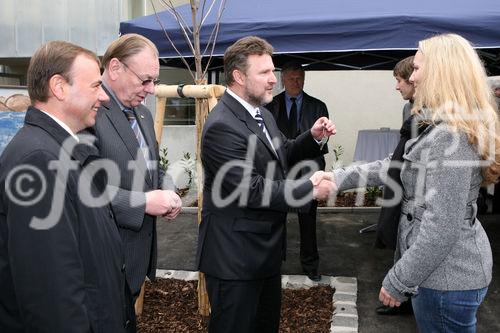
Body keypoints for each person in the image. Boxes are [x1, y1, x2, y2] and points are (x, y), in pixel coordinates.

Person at [332, 33, 497, 332]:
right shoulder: (440, 124)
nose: (413, 76)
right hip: (444, 276)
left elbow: (440, 229)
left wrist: (399, 281)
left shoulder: (450, 136)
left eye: (418, 69)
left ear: (440, 74)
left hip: (446, 280)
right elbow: (396, 167)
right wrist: (337, 178)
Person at [197, 36, 336, 333]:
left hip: (264, 256)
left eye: (273, 72)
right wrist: (308, 189)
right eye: (265, 73)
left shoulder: (262, 114)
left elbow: (282, 150)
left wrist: (312, 136)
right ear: (238, 76)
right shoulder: (222, 126)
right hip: (235, 261)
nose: (274, 80)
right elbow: (252, 189)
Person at [0, 41, 130, 332]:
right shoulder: (39, 162)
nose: (104, 97)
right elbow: (52, 297)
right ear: (59, 87)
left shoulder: (61, 150)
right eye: (96, 85)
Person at [93, 34, 182, 301]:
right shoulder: (90, 112)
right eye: (145, 80)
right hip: (103, 261)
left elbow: (153, 167)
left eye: (154, 81)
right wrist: (143, 202)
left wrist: (169, 190)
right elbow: (81, 187)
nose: (152, 89)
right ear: (115, 68)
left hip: (134, 261)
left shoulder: (142, 113)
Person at [265, 61, 329, 282]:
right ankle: (273, 262)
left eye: (300, 78)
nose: (296, 82)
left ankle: (310, 264)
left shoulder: (318, 106)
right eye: (292, 78)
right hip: (279, 169)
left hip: (307, 169)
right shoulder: (270, 106)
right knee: (275, 218)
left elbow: (324, 144)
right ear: (283, 79)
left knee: (308, 220)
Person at [374, 56, 416, 315]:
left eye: (400, 80)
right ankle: (403, 299)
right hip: (403, 190)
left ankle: (403, 293)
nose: (397, 87)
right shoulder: (407, 110)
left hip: (417, 195)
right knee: (402, 243)